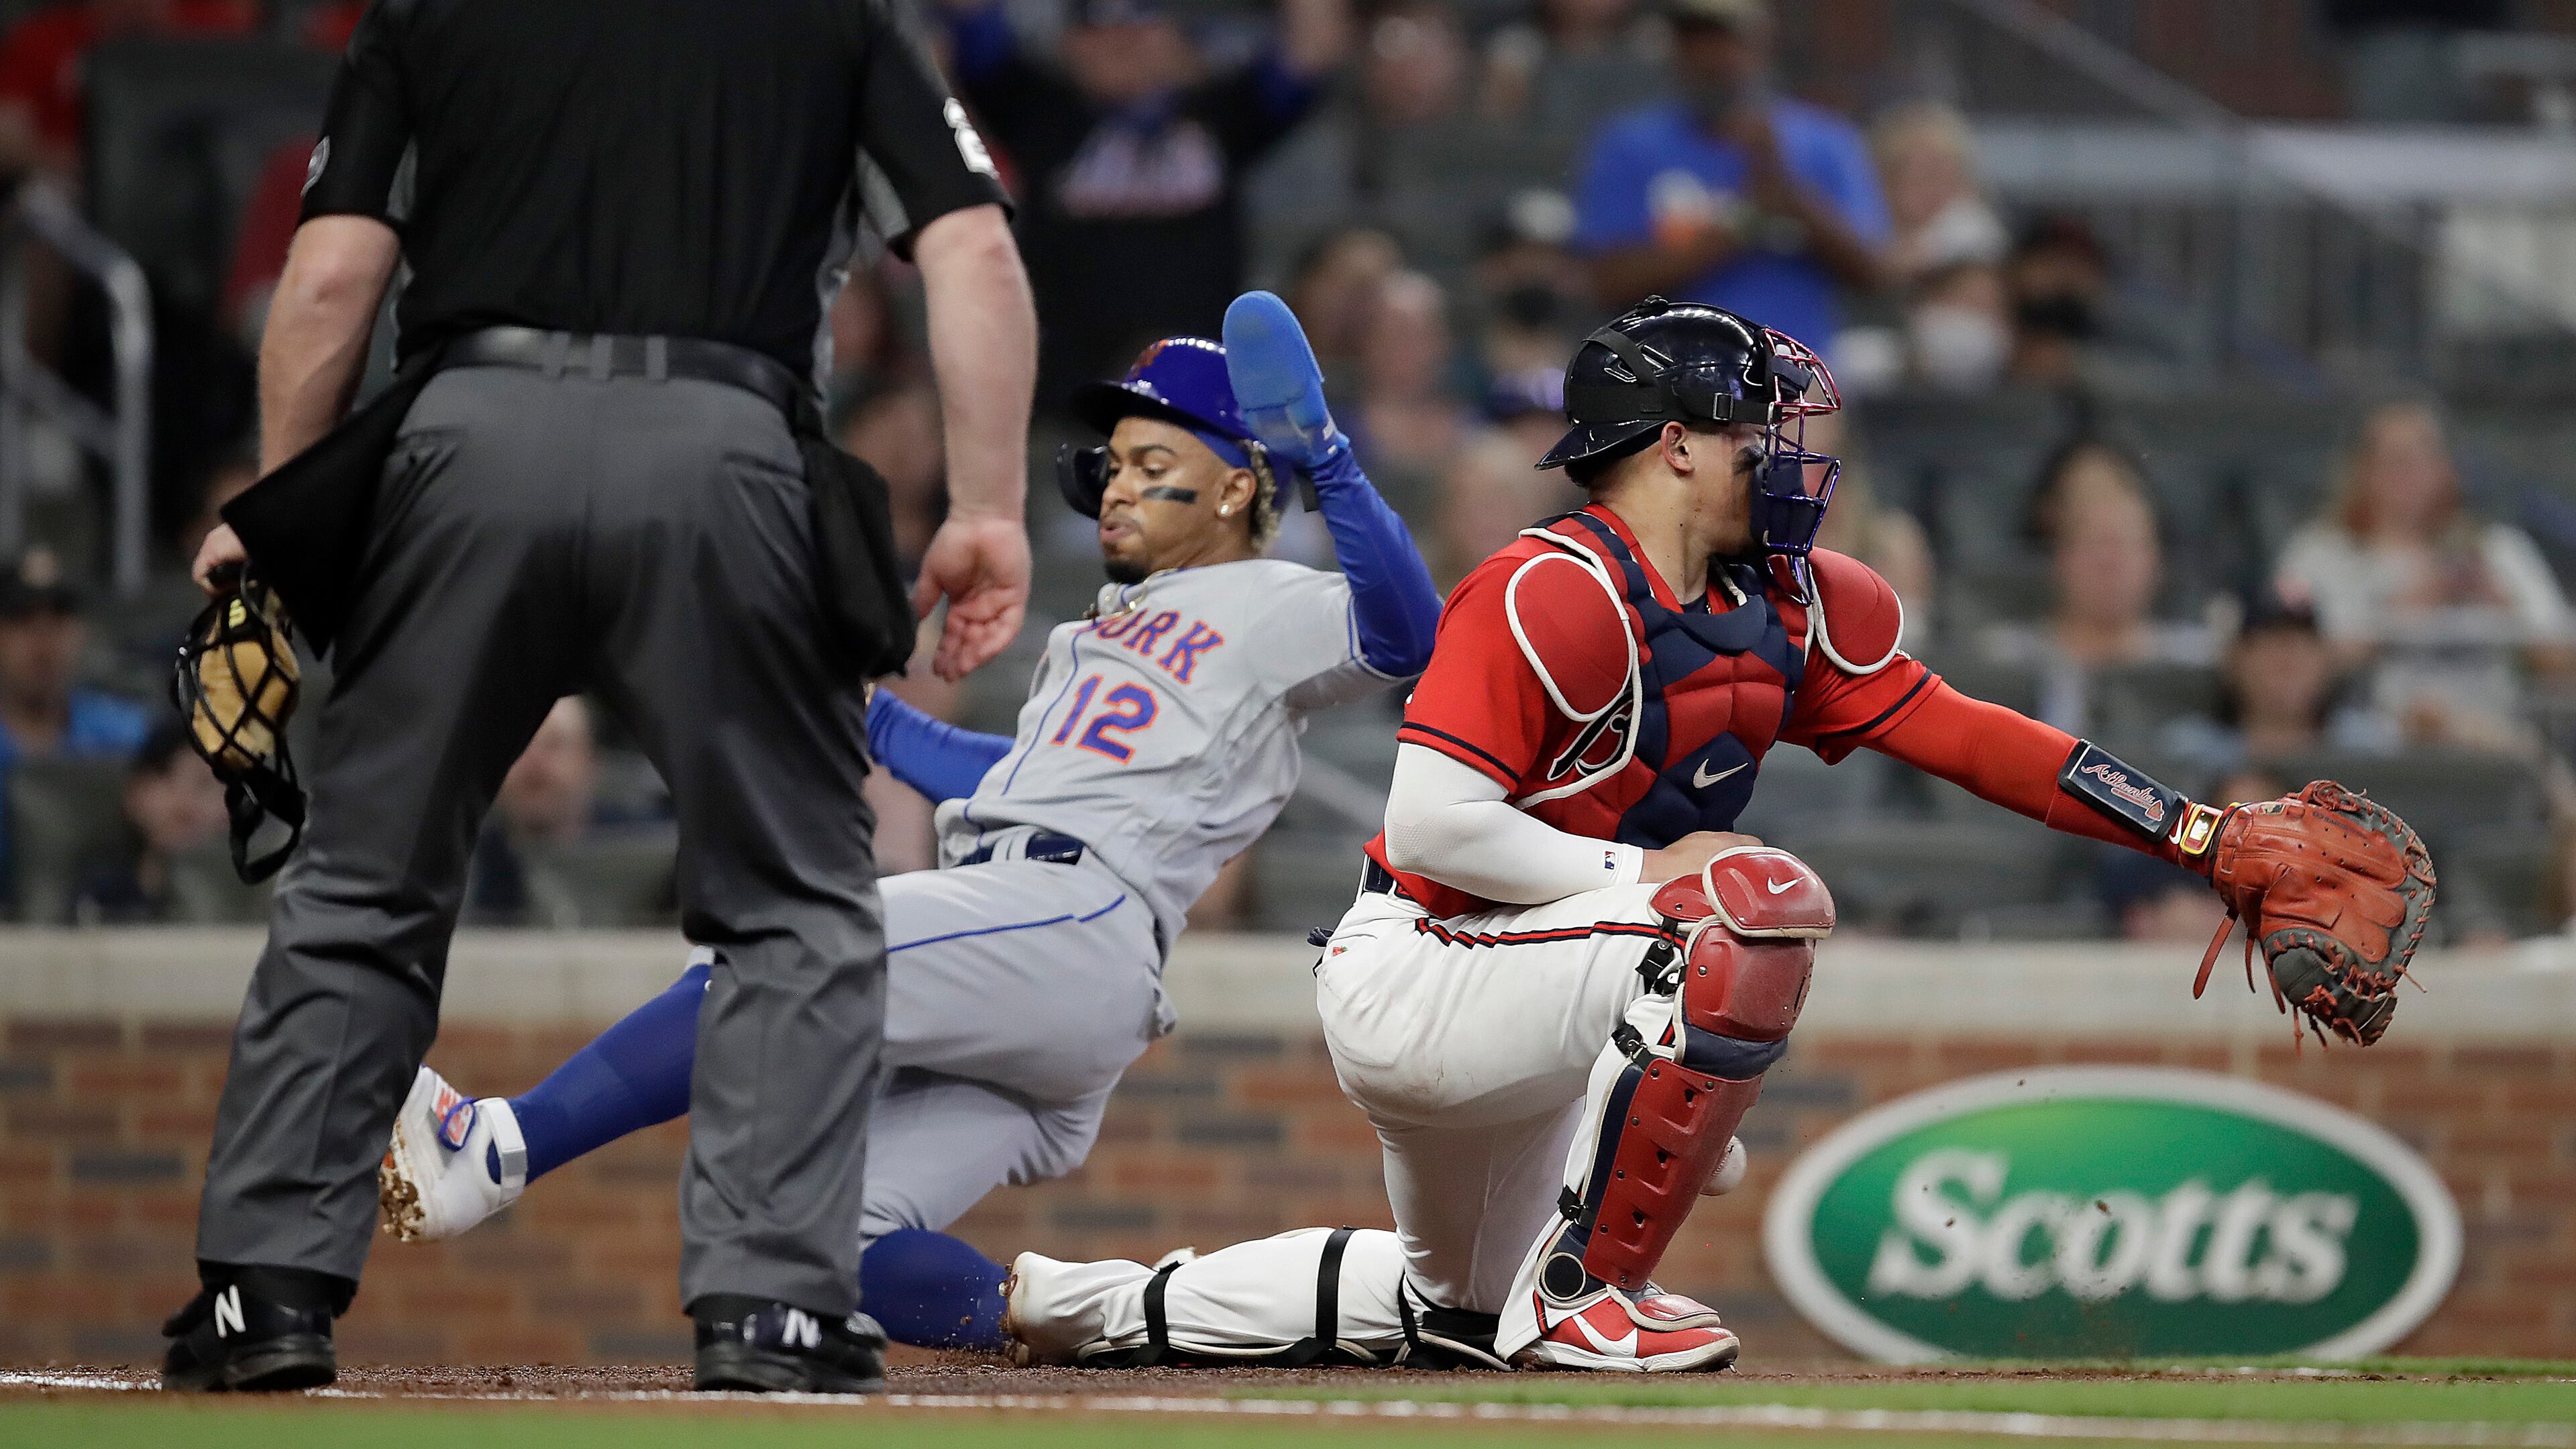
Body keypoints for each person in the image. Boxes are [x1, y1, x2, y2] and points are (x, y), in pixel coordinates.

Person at [997, 297, 2313, 1373]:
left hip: (1545, 978)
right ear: (1673, 446)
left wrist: (2202, 835)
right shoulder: (1545, 586)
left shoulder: (1794, 601)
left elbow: (1970, 737)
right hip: (1419, 967)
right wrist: (1653, 879)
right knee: (1752, 908)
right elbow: (1432, 822)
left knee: (1444, 1309)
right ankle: (1586, 1293)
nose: (1788, 457)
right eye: (1756, 429)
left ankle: (1081, 1306)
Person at [163, 0, 1038, 1397]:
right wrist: (987, 505)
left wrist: (288, 508)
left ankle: (264, 1296)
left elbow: (329, 277)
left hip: (464, 447)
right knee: (798, 904)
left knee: (362, 890)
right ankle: (769, 1309)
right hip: (724, 449)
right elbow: (973, 250)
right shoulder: (838, 22)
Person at [372, 301, 1442, 1356]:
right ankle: (1083, 1333)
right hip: (1046, 957)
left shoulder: (1269, 599)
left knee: (782, 951)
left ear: (1237, 484)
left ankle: (498, 1149)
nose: (1115, 482)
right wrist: (862, 711)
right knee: (823, 1240)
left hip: (1070, 920)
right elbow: (1031, 782)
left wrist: (1330, 458)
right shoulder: (1097, 632)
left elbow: (1409, 634)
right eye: (1111, 460)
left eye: (1150, 457)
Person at [938, 0, 1351, 409]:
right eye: (1104, 31)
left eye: (1141, 26)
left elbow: (1311, 48)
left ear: (1173, 37)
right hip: (1069, 410)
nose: (1125, 45)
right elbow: (974, 26)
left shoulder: (1219, 116)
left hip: (1199, 409)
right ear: (1072, 45)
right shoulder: (1039, 110)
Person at [1571, 0, 1888, 352]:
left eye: (1727, 39)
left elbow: (1875, 275)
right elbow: (1606, 284)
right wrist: (1742, 223)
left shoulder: (1825, 141)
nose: (1711, 57)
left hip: (1797, 378)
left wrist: (1795, 201)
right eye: (1694, 40)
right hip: (1667, 379)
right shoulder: (1630, 145)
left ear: (1762, 43)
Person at [2274, 400, 2575, 754]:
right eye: (2395, 460)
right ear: (2362, 470)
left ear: (2448, 469)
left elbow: (2565, 665)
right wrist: (2393, 616)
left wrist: (2503, 606)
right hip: (2364, 752)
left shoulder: (2498, 550)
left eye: (2423, 459)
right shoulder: (2320, 554)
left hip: (2493, 750)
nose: (2409, 475)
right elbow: (2279, 666)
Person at [1980, 438, 2212, 734]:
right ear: (2060, 559)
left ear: (2158, 563)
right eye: (2095, 544)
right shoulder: (2006, 656)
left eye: (2128, 546)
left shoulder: (2196, 660)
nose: (2110, 563)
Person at [0, 547, 151, 900]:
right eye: (21, 619)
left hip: (103, 928)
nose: (43, 640)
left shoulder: (130, 736)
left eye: (60, 617)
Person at [2159, 584, 2396, 777]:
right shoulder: (2191, 753)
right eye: (2270, 646)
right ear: (2234, 661)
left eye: (2303, 648)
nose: (2288, 663)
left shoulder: (2365, 749)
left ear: (2327, 662)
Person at [71, 720, 231, 924]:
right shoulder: (101, 892)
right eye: (164, 775)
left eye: (203, 785)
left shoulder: (257, 902)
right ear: (133, 793)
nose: (183, 806)